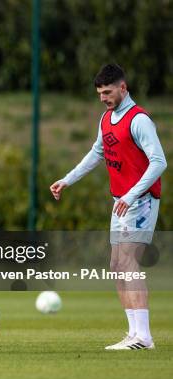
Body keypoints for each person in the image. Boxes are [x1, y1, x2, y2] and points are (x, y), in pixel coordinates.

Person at [50, 64, 167, 350]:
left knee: (129, 263)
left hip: (139, 201)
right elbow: (96, 153)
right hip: (122, 202)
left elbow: (159, 162)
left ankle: (144, 337)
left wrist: (131, 195)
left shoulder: (138, 120)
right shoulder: (106, 118)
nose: (103, 97)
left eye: (108, 91)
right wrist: (68, 179)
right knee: (116, 265)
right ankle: (133, 334)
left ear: (123, 88)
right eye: (100, 93)